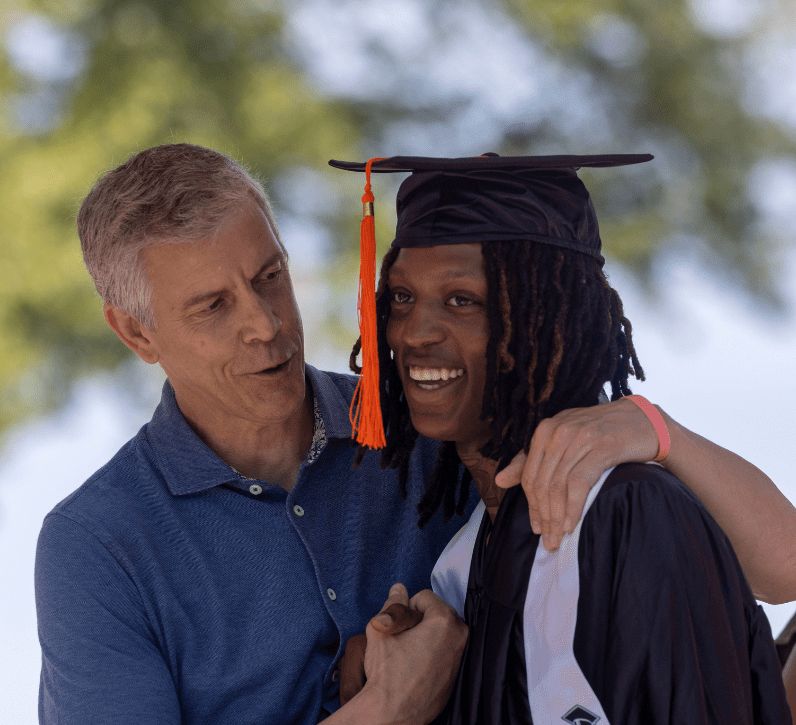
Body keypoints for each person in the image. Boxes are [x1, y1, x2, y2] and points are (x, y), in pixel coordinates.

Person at [35, 143, 796, 725]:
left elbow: (782, 567)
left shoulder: (429, 435)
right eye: (212, 307)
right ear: (136, 331)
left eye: (270, 276)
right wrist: (384, 711)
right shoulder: (99, 546)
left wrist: (652, 426)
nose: (264, 326)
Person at [335, 152, 794, 723]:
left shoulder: (624, 514)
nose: (415, 333)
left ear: (547, 320)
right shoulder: (468, 555)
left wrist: (656, 427)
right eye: (401, 298)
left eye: (463, 301)